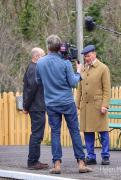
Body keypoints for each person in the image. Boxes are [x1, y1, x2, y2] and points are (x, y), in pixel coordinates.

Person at [36, 34, 92, 174]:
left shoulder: (40, 63)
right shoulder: (65, 62)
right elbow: (73, 82)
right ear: (59, 47)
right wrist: (78, 72)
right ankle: (81, 163)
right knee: (74, 131)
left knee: (55, 133)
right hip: (66, 102)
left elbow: (38, 81)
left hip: (51, 103)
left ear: (48, 47)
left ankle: (57, 165)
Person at [76, 45, 111, 165]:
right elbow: (79, 88)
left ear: (94, 54)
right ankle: (91, 156)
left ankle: (105, 156)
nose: (87, 58)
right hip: (86, 106)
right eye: (85, 56)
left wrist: (105, 105)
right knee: (87, 132)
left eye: (88, 55)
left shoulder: (103, 68)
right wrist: (77, 105)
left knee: (103, 131)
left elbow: (107, 89)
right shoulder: (84, 69)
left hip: (98, 106)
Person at [23, 47, 49, 170]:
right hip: (36, 107)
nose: (44, 57)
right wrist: (25, 106)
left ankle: (34, 160)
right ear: (36, 57)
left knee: (37, 134)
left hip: (37, 106)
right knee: (37, 135)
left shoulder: (33, 68)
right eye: (43, 55)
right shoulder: (34, 69)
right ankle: (32, 162)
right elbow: (30, 90)